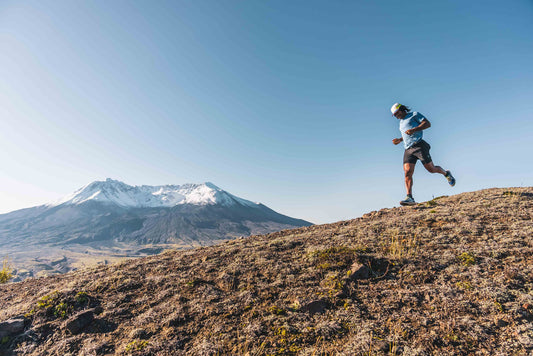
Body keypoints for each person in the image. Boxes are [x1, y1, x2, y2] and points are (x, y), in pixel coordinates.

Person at [391, 103, 455, 206]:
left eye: (396, 113)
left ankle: (446, 173)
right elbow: (407, 134)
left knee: (431, 169)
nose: (396, 116)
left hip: (419, 145)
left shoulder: (414, 115)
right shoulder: (401, 123)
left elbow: (427, 124)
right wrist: (400, 140)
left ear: (401, 109)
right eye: (394, 115)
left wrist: (414, 129)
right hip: (408, 149)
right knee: (407, 172)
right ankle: (409, 197)